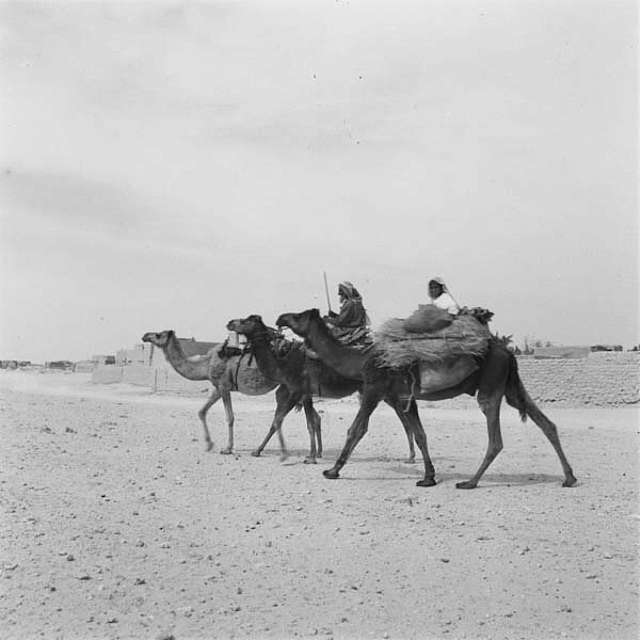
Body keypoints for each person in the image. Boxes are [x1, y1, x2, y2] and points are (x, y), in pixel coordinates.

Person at [324, 281, 371, 345]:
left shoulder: (349, 304)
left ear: (345, 292)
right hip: (355, 327)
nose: (339, 294)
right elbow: (349, 318)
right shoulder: (357, 302)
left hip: (348, 329)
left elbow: (340, 322)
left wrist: (327, 319)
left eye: (341, 292)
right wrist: (333, 315)